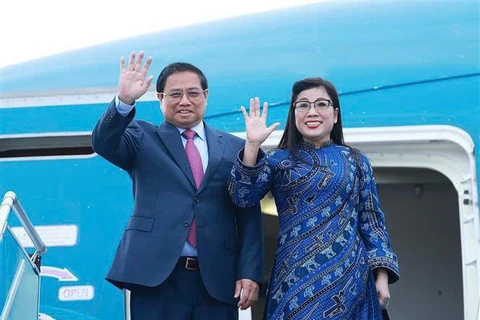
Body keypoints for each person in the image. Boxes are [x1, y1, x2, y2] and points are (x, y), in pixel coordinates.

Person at [92, 51, 263, 320]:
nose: (185, 101)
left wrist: (249, 271)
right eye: (175, 94)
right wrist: (124, 101)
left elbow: (248, 213)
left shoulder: (235, 147)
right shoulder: (142, 136)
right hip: (157, 277)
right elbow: (103, 143)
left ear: (205, 95)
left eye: (193, 93)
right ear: (160, 98)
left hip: (217, 279)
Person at [228, 77, 400, 319]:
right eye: (303, 105)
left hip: (352, 282)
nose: (312, 111)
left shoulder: (357, 161)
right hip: (295, 284)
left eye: (321, 104)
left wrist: (381, 276)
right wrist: (253, 145)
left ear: (336, 115)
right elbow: (242, 197)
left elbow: (372, 223)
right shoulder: (278, 161)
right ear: (294, 114)